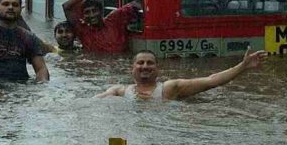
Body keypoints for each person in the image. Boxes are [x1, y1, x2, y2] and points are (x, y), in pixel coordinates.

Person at [97, 47, 268, 100]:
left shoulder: (170, 88)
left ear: (157, 69)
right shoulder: (119, 91)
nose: (145, 66)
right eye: (140, 63)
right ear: (132, 68)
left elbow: (211, 81)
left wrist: (243, 66)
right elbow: (91, 104)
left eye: (150, 63)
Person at [62, 0, 141, 53]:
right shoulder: (83, 31)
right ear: (83, 16)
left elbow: (138, 4)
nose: (92, 15)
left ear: (101, 11)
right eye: (87, 12)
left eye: (94, 11)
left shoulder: (114, 19)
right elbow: (66, 6)